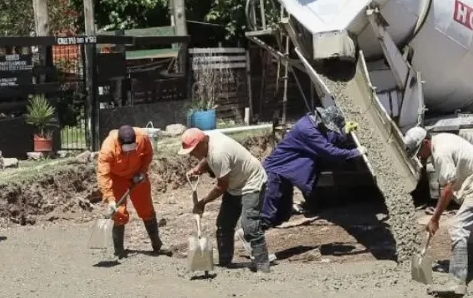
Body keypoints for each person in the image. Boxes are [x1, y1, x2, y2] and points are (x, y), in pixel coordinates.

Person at [404, 126, 473, 297]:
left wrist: (435, 219)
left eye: (419, 152)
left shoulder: (440, 153)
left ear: (426, 142)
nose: (420, 156)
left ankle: (457, 282)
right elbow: (448, 186)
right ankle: (471, 267)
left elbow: (447, 190)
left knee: (458, 228)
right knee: (466, 229)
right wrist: (436, 215)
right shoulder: (440, 141)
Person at [181, 128, 272, 273]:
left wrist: (202, 203)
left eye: (192, 150)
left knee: (250, 224)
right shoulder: (209, 139)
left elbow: (221, 186)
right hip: (235, 183)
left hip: (251, 181)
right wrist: (199, 167)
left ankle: (263, 265)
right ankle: (225, 263)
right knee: (224, 224)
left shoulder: (218, 153)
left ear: (201, 143)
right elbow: (208, 158)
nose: (191, 154)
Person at [261, 107, 365, 229]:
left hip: (286, 173)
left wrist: (343, 133)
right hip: (275, 171)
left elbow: (328, 138)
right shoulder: (307, 130)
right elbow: (329, 151)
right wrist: (355, 152)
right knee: (267, 215)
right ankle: (251, 238)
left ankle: (256, 237)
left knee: (282, 215)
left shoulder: (314, 124)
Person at [97, 124, 173, 258]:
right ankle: (119, 251)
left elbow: (148, 154)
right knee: (119, 212)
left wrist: (142, 172)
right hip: (117, 178)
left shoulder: (142, 137)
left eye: (132, 146)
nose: (129, 150)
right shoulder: (108, 148)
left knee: (146, 209)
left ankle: (157, 245)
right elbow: (104, 174)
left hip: (137, 175)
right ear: (119, 143)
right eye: (126, 147)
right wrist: (110, 199)